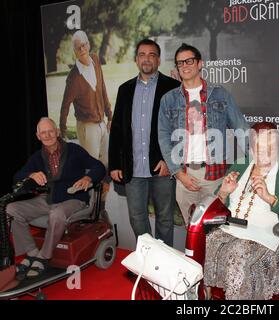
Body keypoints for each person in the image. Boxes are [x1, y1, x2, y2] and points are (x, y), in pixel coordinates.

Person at [203, 122, 279, 299]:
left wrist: (270, 198)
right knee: (205, 241)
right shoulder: (241, 165)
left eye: (270, 146)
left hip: (268, 237)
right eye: (259, 146)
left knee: (238, 254)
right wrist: (223, 192)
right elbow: (216, 205)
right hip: (231, 229)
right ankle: (204, 295)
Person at [158, 43, 249, 226]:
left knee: (216, 229)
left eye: (189, 61)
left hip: (215, 176)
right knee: (192, 231)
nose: (184, 66)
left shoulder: (220, 94)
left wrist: (254, 162)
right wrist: (178, 173)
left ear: (200, 64)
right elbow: (163, 137)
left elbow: (241, 129)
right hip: (184, 176)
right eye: (180, 63)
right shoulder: (169, 99)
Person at [7, 117, 105, 279]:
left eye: (50, 131)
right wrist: (31, 174)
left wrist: (88, 179)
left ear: (57, 132)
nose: (47, 135)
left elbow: (98, 166)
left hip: (74, 199)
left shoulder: (74, 150)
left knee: (57, 214)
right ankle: (32, 252)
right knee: (11, 209)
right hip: (49, 199)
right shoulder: (37, 157)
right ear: (38, 136)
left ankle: (44, 257)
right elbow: (17, 176)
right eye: (43, 133)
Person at [108, 39, 180, 246]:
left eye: (151, 54)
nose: (146, 58)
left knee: (165, 219)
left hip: (162, 167)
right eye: (142, 54)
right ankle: (148, 257)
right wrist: (114, 164)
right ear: (136, 59)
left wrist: (169, 159)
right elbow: (117, 129)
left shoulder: (173, 87)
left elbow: (179, 129)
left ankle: (165, 262)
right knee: (137, 217)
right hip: (133, 168)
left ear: (158, 59)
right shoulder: (125, 89)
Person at [59, 30, 113, 167]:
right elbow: (65, 105)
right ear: (75, 51)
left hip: (102, 123)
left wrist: (110, 116)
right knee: (91, 167)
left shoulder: (95, 59)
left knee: (105, 162)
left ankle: (101, 189)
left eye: (84, 45)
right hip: (87, 127)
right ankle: (90, 189)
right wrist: (63, 131)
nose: (82, 49)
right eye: (78, 47)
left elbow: (102, 88)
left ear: (88, 45)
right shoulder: (73, 77)